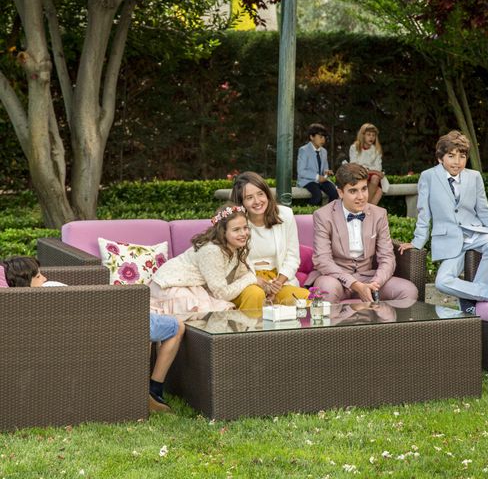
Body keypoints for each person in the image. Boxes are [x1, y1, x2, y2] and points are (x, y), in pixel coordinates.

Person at [0, 255, 185, 413]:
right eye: (39, 276)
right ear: (27, 282)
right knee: (177, 325)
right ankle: (154, 389)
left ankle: (143, 389)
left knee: (149, 335)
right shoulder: (50, 289)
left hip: (95, 334)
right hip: (118, 326)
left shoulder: (21, 307)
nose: (45, 277)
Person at [398, 130, 488, 314]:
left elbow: (484, 211)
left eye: (462, 156)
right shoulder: (428, 177)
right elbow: (424, 213)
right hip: (448, 239)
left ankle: (472, 302)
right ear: (440, 158)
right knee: (442, 281)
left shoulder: (474, 177)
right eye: (451, 156)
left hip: (475, 233)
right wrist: (417, 241)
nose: (457, 161)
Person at [306, 163, 419, 304]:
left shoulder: (379, 214)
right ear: (340, 192)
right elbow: (323, 260)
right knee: (327, 288)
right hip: (336, 278)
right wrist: (355, 284)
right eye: (353, 191)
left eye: (364, 189)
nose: (361, 197)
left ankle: (387, 326)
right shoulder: (323, 215)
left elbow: (387, 257)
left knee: (408, 290)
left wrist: (375, 283)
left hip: (369, 278)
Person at [149, 203, 258, 312]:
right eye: (236, 229)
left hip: (193, 287)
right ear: (223, 232)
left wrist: (265, 285)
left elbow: (245, 273)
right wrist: (251, 279)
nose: (243, 233)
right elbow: (222, 293)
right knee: (213, 311)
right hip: (169, 286)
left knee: (222, 311)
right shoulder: (212, 251)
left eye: (245, 227)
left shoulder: (237, 246)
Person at [230, 172, 310, 309]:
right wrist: (259, 283)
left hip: (279, 281)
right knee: (256, 295)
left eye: (260, 194)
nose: (257, 201)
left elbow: (292, 257)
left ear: (267, 194)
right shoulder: (234, 223)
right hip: (248, 282)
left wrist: (277, 284)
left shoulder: (285, 215)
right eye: (249, 197)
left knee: (305, 299)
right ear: (241, 202)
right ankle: (250, 330)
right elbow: (231, 263)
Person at [297, 123, 339, 205]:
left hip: (321, 181)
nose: (323, 140)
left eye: (324, 137)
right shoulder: (304, 150)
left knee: (334, 193)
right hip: (308, 181)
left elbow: (324, 169)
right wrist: (317, 177)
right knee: (317, 195)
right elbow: (301, 171)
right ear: (312, 137)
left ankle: (327, 214)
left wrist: (326, 173)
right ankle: (309, 213)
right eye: (320, 137)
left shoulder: (324, 151)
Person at [349, 123, 388, 205]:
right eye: (369, 135)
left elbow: (378, 167)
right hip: (358, 175)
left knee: (376, 181)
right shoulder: (354, 147)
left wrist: (372, 171)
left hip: (372, 176)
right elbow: (354, 166)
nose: (371, 137)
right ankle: (365, 207)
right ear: (363, 135)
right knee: (378, 190)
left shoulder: (376, 150)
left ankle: (364, 207)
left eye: (373, 135)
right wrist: (371, 171)